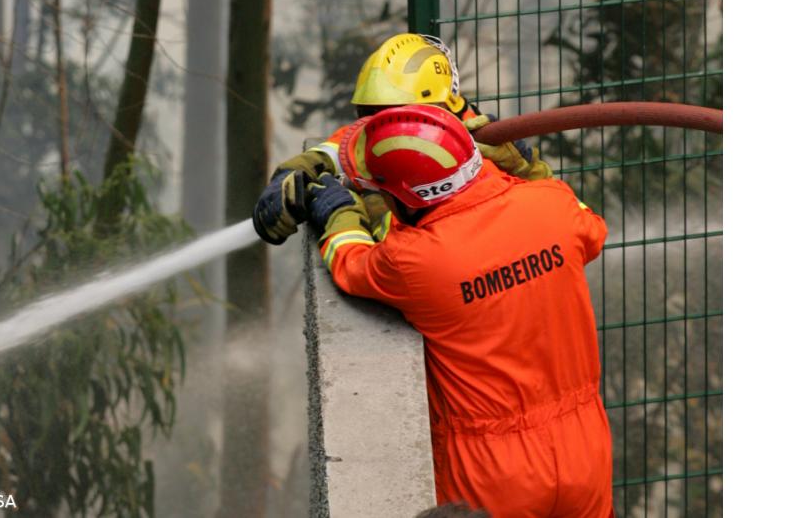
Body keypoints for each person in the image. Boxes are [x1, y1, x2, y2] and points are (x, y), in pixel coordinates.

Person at [306, 105, 613, 517]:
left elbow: (351, 264)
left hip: (488, 472)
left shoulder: (413, 262)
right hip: (585, 452)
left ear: (407, 198)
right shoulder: (552, 204)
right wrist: (526, 171)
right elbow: (590, 228)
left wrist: (338, 215)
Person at [252, 32, 551, 246]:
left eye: (396, 114)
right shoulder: (369, 137)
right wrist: (282, 188)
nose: (383, 127)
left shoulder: (488, 156)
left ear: (436, 109)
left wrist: (345, 214)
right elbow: (325, 156)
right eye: (373, 114)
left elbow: (552, 214)